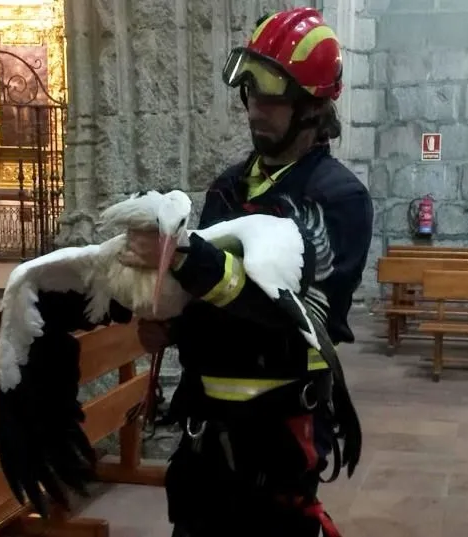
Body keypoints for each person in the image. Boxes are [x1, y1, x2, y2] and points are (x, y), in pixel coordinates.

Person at [119, 7, 373, 537]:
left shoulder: (338, 198)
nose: (256, 107)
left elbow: (303, 318)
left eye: (273, 95)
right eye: (250, 91)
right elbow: (205, 301)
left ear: (314, 106)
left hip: (276, 445)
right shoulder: (227, 187)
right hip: (204, 442)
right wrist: (169, 325)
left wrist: (198, 263)